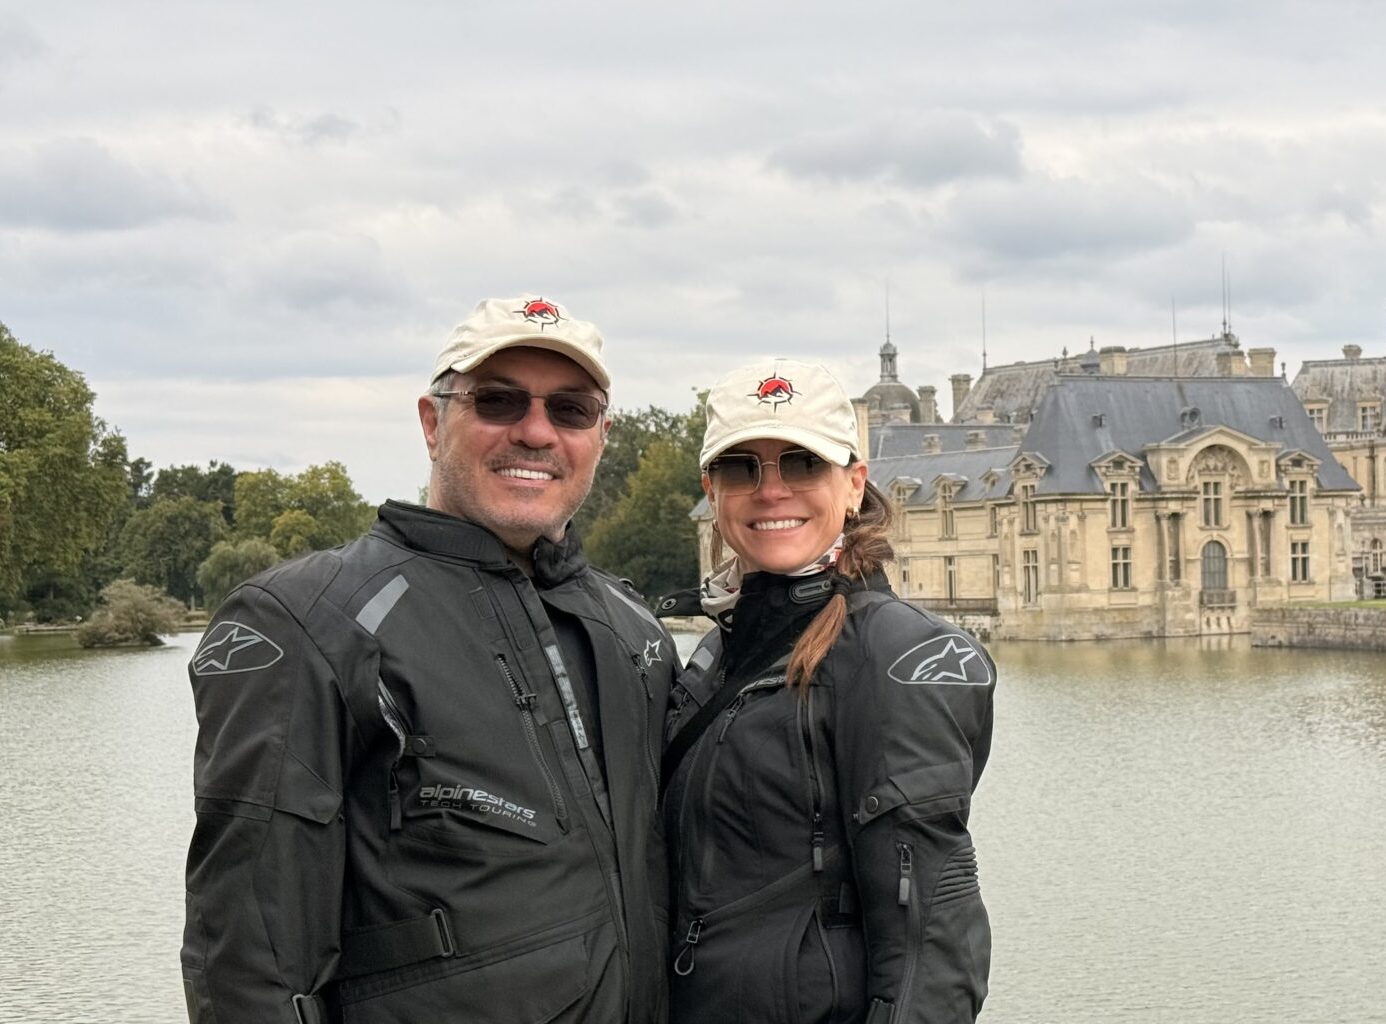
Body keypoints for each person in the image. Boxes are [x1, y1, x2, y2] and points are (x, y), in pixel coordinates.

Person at [182, 295, 677, 1023]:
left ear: (600, 436)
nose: (536, 431)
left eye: (570, 410)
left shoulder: (635, 631)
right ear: (431, 422)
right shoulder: (308, 622)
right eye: (498, 401)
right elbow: (248, 961)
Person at [654, 358, 993, 1023]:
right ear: (712, 492)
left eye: (803, 463)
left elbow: (932, 944)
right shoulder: (720, 648)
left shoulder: (897, 653)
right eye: (741, 468)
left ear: (854, 483)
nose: (771, 490)